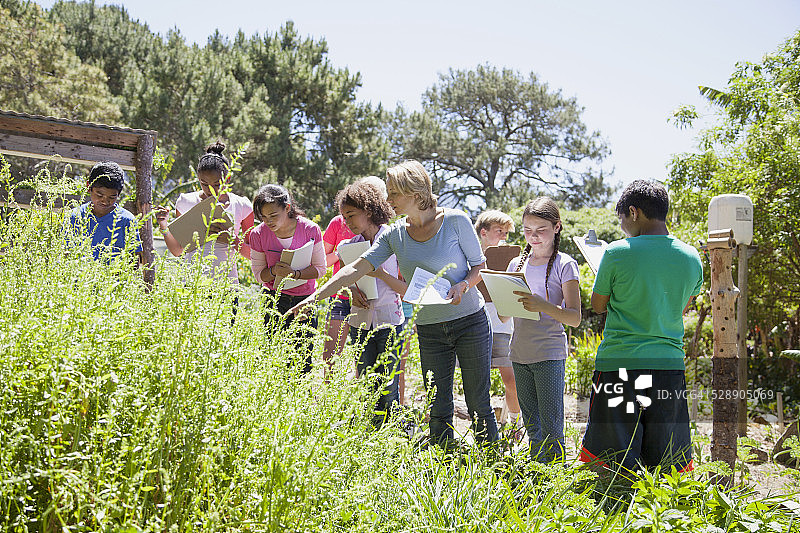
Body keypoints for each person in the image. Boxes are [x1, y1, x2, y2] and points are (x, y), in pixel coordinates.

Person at [290, 160, 498, 446]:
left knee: (478, 403)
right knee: (438, 407)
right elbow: (355, 268)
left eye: (393, 194)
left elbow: (479, 266)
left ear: (414, 193)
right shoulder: (394, 234)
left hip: (469, 322)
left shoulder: (455, 220)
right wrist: (312, 299)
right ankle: (442, 467)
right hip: (429, 328)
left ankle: (492, 465)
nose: (387, 201)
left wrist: (463, 284)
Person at [580, 180, 702, 472]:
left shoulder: (616, 253)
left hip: (620, 364)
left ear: (633, 212)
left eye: (622, 218)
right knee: (667, 458)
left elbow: (598, 306)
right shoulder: (691, 257)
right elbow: (682, 307)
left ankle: (610, 510)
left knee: (610, 458)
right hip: (668, 366)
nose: (622, 226)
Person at [501, 198, 581, 461]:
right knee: (532, 423)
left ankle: (554, 481)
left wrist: (542, 305)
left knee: (551, 426)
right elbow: (504, 315)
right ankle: (537, 476)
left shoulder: (564, 264)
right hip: (519, 353)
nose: (533, 236)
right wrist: (502, 299)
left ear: (557, 227)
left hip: (548, 353)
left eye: (541, 230)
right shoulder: (516, 265)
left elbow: (574, 317)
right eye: (527, 230)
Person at [336, 180, 406, 425]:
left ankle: (392, 435)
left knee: (388, 386)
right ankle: (371, 433)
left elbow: (405, 288)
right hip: (360, 322)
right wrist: (352, 290)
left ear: (368, 209)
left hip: (390, 321)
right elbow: (343, 279)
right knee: (367, 384)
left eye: (352, 215)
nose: (348, 222)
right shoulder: (348, 247)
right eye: (344, 217)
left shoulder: (394, 237)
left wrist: (380, 274)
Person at [249, 184, 326, 374]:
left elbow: (320, 269)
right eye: (263, 217)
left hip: (304, 300)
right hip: (274, 300)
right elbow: (259, 275)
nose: (268, 221)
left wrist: (295, 274)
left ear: (288, 208)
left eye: (273, 215)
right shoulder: (258, 234)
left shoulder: (310, 229)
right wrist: (275, 270)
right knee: (275, 357)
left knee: (302, 360)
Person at [155, 142, 253, 281]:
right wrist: (163, 225)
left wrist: (233, 241)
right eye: (204, 183)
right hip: (191, 285)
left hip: (227, 286)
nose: (210, 189)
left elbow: (253, 255)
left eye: (217, 184)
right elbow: (177, 250)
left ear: (228, 178)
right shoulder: (185, 202)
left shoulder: (242, 205)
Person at [474, 210, 522, 430]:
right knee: (477, 382)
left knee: (511, 380)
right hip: (475, 324)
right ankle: (483, 426)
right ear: (484, 232)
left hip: (503, 324)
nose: (503, 236)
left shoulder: (512, 261)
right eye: (498, 231)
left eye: (505, 232)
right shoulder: (469, 256)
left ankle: (514, 425)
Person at [64, 161, 142, 262]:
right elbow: (65, 254)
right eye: (99, 195)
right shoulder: (74, 216)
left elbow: (134, 260)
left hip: (113, 277)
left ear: (119, 194)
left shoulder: (127, 220)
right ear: (89, 186)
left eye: (112, 197)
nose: (105, 201)